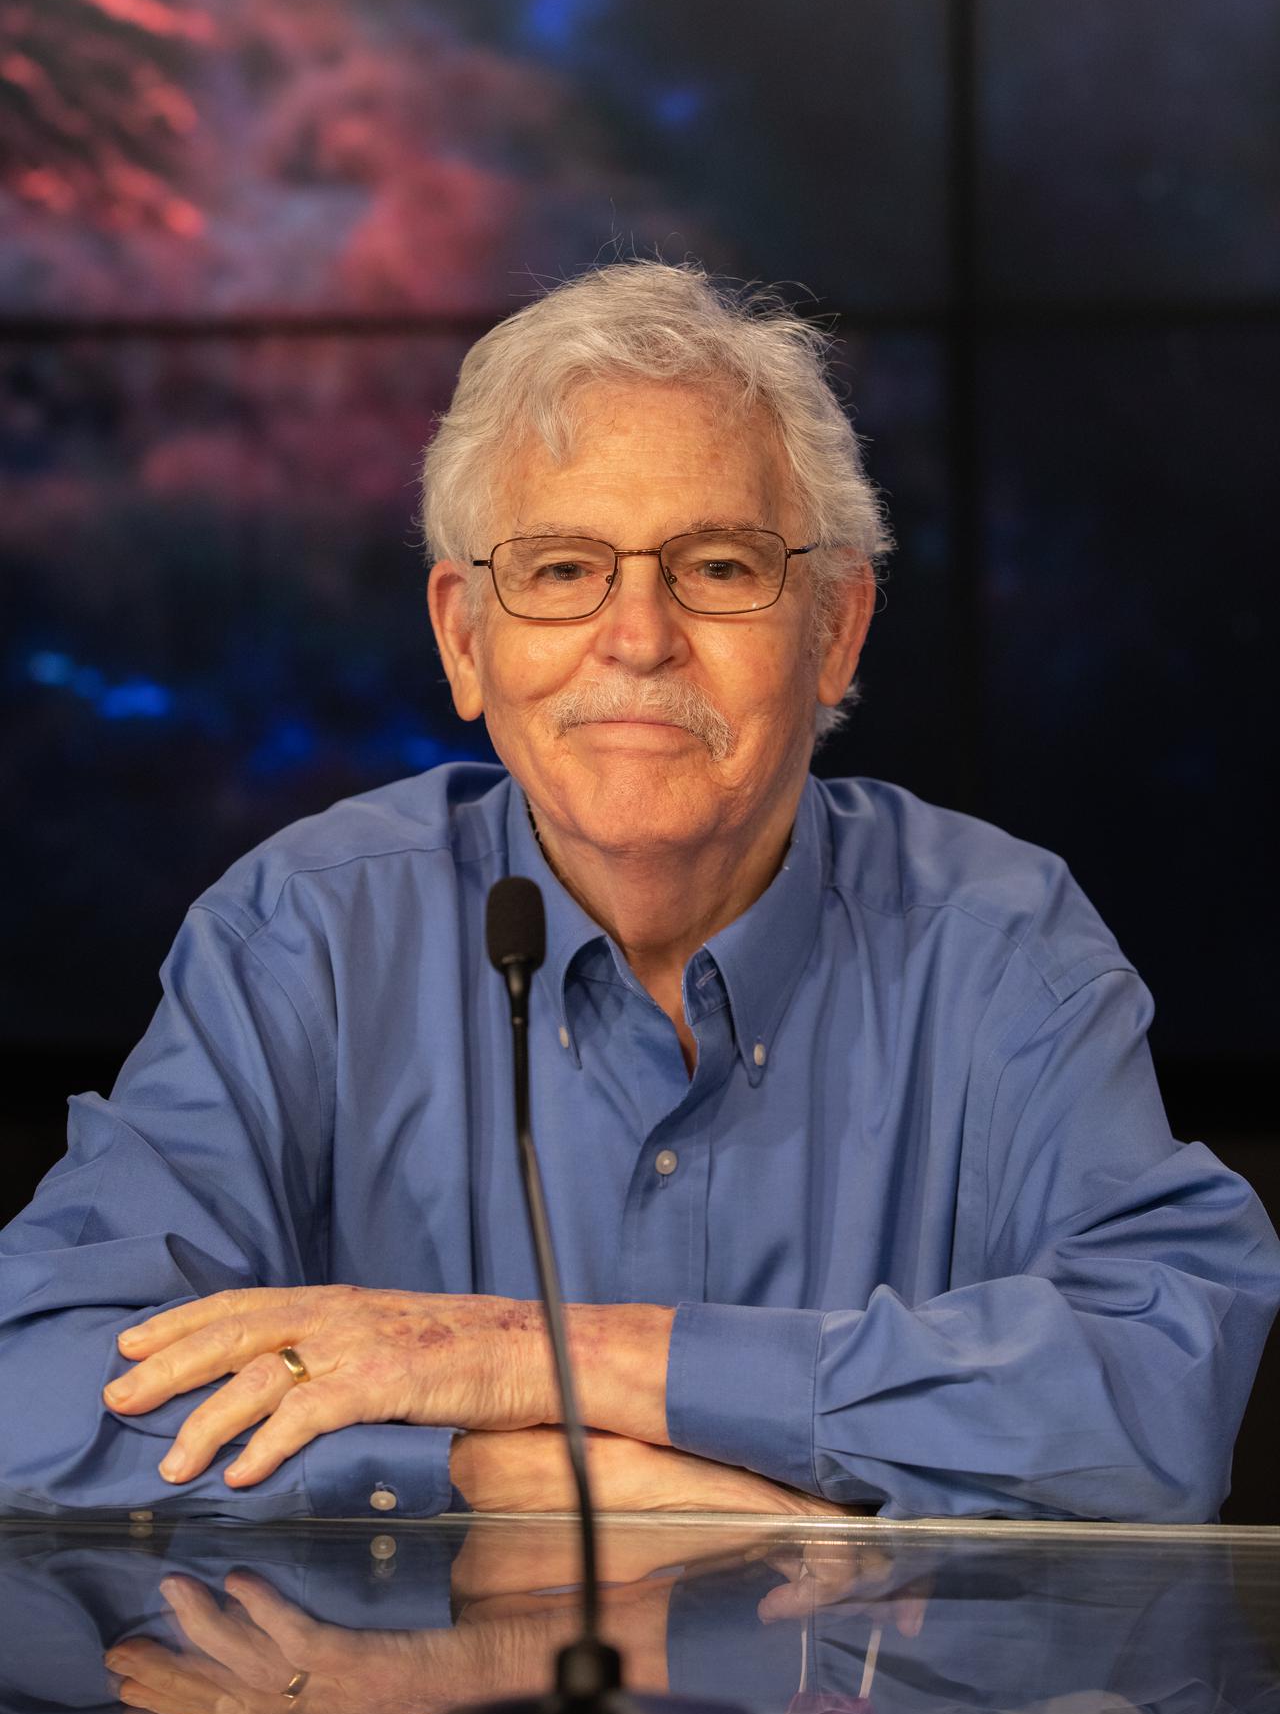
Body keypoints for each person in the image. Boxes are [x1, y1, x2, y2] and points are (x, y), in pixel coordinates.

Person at [2, 260, 1277, 1526]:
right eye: (561, 571)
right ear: (462, 638)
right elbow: (33, 1383)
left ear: (833, 632)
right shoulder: (304, 936)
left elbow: (1156, 1393)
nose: (637, 634)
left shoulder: (1005, 948)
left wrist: (526, 1356)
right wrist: (494, 1478)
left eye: (718, 567)